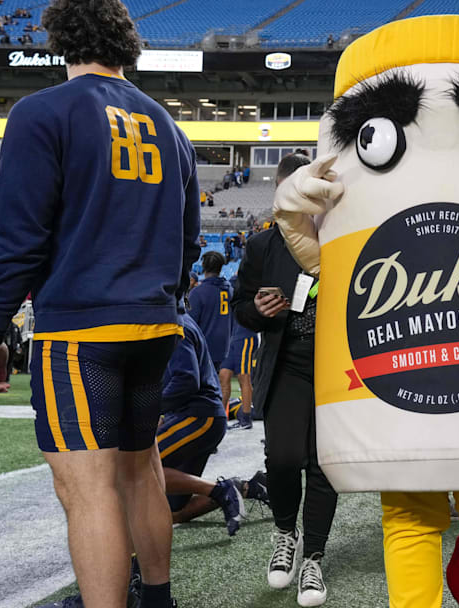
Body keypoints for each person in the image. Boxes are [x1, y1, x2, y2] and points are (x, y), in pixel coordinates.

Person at [0, 1, 201, 606]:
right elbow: (189, 242)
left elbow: (20, 239)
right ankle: (157, 599)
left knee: (86, 487)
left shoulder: (41, 112)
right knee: (140, 466)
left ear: (61, 40)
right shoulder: (170, 126)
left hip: (81, 328)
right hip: (156, 325)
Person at [232, 153, 337, 603]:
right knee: (282, 458)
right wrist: (257, 310)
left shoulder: (342, 238)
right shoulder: (260, 247)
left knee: (324, 465)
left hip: (338, 368)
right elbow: (241, 308)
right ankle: (284, 534)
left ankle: (312, 557)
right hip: (288, 363)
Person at [158, 303, 247, 532]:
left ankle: (220, 489)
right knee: (174, 510)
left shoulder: (172, 324)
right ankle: (245, 488)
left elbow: (186, 379)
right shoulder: (175, 319)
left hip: (197, 416)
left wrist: (151, 407)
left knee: (135, 467)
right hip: (202, 417)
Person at [219, 275, 258, 429]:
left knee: (243, 376)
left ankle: (246, 418)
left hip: (246, 335)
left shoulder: (247, 288)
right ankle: (221, 418)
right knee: (224, 375)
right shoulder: (231, 287)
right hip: (233, 336)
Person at [189, 251, 233, 373]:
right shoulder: (230, 290)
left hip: (202, 348)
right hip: (223, 348)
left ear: (203, 267)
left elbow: (190, 324)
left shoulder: (198, 292)